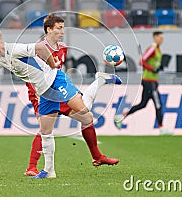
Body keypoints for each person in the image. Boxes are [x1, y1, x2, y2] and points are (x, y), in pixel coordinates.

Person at [0, 27, 115, 179]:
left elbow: (40, 48)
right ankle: (49, 171)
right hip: (44, 92)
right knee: (45, 132)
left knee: (85, 110)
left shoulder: (15, 49)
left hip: (55, 82)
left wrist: (52, 66)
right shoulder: (1, 59)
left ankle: (100, 80)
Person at [24, 14, 120, 177]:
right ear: (49, 29)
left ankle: (97, 157)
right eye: (59, 28)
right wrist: (38, 94)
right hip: (42, 93)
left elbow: (56, 71)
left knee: (86, 117)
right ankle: (31, 167)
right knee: (44, 128)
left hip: (59, 91)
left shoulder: (62, 48)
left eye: (63, 28)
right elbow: (31, 75)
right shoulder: (38, 49)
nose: (62, 32)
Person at [114, 32, 172, 135]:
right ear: (154, 38)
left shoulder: (158, 49)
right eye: (160, 37)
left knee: (143, 104)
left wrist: (157, 68)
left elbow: (151, 63)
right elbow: (141, 61)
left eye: (162, 38)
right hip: (149, 81)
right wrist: (152, 69)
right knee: (158, 104)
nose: (161, 40)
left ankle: (121, 116)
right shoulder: (152, 49)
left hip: (151, 81)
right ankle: (162, 128)